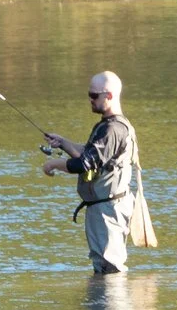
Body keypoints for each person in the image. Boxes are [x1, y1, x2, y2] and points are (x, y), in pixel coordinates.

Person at [42, 71, 149, 273]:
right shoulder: (108, 126)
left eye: (94, 95)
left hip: (109, 210)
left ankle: (112, 304)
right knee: (103, 264)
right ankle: (102, 303)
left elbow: (86, 163)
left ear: (108, 96)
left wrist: (55, 164)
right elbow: (92, 153)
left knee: (110, 267)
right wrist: (63, 142)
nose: (90, 100)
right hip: (104, 207)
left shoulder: (113, 130)